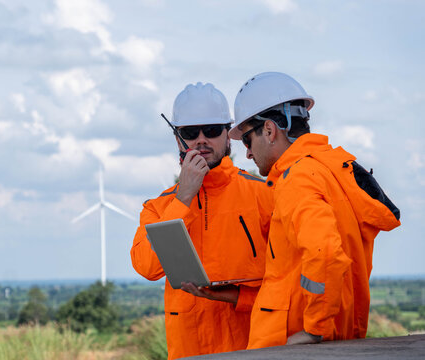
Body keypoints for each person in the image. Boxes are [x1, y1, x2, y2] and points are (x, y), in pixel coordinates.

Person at [228, 72, 401, 349]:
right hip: (337, 340)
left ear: (270, 131)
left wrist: (314, 329)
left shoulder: (298, 178)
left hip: (290, 345)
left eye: (247, 140)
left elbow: (326, 254)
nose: (247, 153)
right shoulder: (331, 171)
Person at [130, 82, 273, 359]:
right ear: (177, 138)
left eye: (211, 130)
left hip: (252, 349)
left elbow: (285, 285)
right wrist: (182, 199)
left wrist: (234, 297)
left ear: (228, 135)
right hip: (188, 351)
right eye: (190, 132)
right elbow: (147, 267)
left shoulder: (263, 194)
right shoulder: (159, 207)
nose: (201, 140)